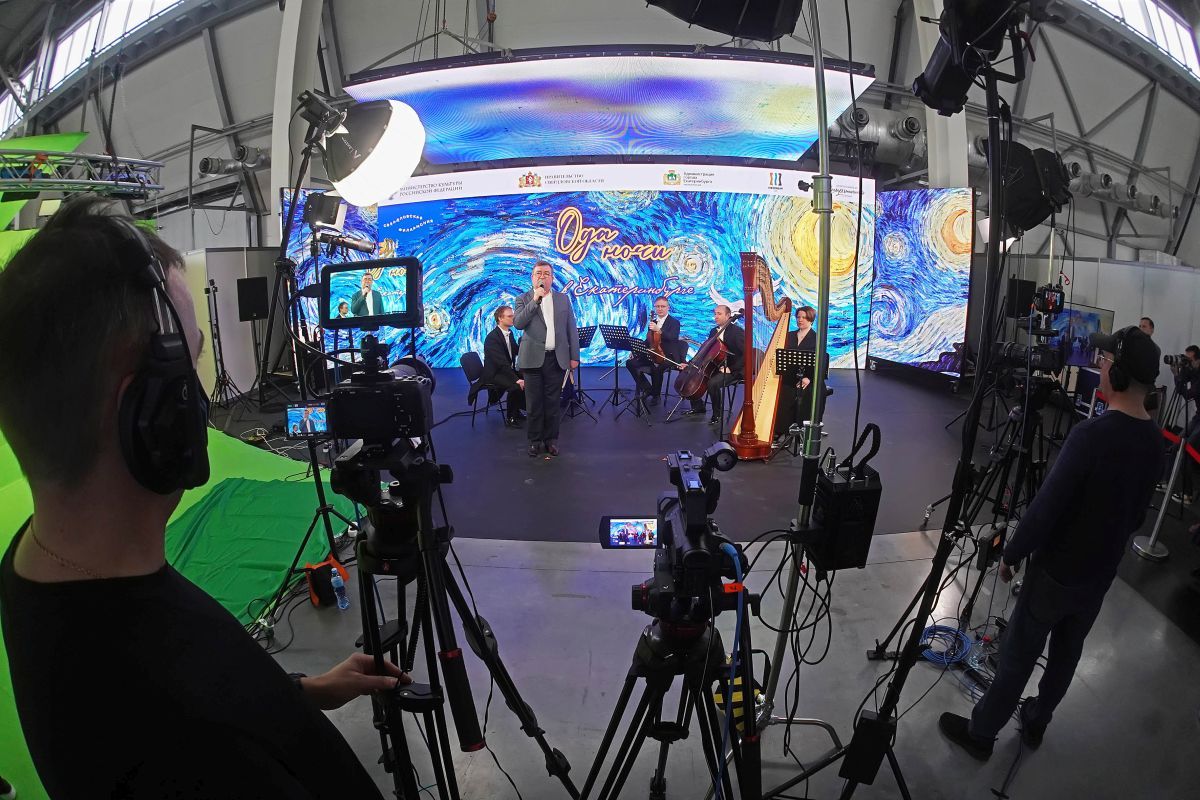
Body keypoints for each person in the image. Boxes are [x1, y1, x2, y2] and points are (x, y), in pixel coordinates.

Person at [0, 198, 407, 799]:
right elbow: (191, 717)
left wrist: (299, 694)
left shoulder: (38, 563)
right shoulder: (188, 741)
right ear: (153, 416)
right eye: (189, 367)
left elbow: (213, 681)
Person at [939, 325, 1164, 760]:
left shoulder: (1091, 436)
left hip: (1056, 571)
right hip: (1099, 576)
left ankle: (981, 734)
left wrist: (1012, 554)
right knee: (1066, 655)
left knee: (1018, 655)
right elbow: (1137, 517)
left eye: (1104, 362)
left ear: (1117, 374)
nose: (1100, 368)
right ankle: (1037, 721)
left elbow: (1046, 508)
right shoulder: (1156, 444)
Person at [514, 261, 578, 457]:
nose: (542, 276)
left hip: (556, 358)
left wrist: (574, 356)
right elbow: (518, 323)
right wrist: (535, 300)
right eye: (538, 273)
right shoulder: (523, 299)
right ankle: (534, 441)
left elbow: (571, 328)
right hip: (532, 359)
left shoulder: (563, 299)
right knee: (534, 404)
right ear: (532, 277)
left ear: (552, 277)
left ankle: (551, 440)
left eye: (546, 273)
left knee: (553, 403)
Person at [774, 305, 829, 439]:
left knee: (808, 393)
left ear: (811, 319)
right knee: (783, 392)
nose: (800, 320)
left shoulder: (817, 338)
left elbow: (821, 363)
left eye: (804, 317)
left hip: (810, 378)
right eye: (798, 317)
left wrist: (808, 378)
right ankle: (783, 430)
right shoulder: (789, 335)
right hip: (792, 376)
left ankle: (804, 430)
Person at [686, 305, 744, 426]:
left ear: (728, 316)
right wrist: (691, 363)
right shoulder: (713, 331)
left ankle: (717, 414)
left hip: (733, 369)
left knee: (712, 383)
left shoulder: (737, 332)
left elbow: (746, 355)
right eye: (715, 314)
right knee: (692, 375)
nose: (715, 316)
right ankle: (698, 406)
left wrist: (731, 368)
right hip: (717, 366)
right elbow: (705, 350)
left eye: (719, 314)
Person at [626, 296, 683, 406]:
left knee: (657, 367)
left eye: (663, 306)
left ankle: (656, 395)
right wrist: (636, 350)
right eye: (657, 306)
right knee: (630, 363)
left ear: (668, 307)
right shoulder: (653, 322)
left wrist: (659, 330)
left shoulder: (674, 322)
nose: (660, 309)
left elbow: (673, 338)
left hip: (669, 355)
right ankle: (648, 389)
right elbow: (649, 340)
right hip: (653, 353)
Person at [481, 305, 527, 426]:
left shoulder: (509, 333)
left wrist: (528, 345)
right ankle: (511, 418)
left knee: (527, 378)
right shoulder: (492, 338)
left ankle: (516, 410)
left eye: (513, 316)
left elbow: (515, 350)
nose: (513, 318)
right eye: (510, 316)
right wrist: (516, 379)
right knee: (516, 385)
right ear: (500, 318)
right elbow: (501, 363)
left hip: (504, 370)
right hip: (494, 373)